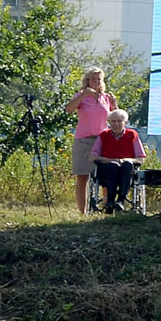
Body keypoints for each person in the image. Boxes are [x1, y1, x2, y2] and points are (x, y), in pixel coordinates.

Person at [67, 68, 120, 215]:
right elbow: (69, 109)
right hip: (84, 140)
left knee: (106, 174)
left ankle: (106, 205)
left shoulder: (106, 97)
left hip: (102, 140)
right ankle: (82, 211)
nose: (96, 82)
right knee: (82, 175)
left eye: (99, 79)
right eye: (93, 79)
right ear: (88, 81)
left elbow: (116, 118)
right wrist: (83, 95)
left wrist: (114, 104)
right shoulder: (82, 96)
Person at [93, 109, 145, 214]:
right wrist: (110, 160)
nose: (115, 124)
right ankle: (110, 201)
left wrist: (127, 160)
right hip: (107, 170)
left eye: (119, 121)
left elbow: (141, 158)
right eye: (113, 121)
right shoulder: (103, 135)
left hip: (126, 171)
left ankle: (120, 200)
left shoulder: (132, 135)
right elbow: (93, 157)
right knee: (113, 165)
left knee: (127, 165)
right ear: (109, 122)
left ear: (125, 123)